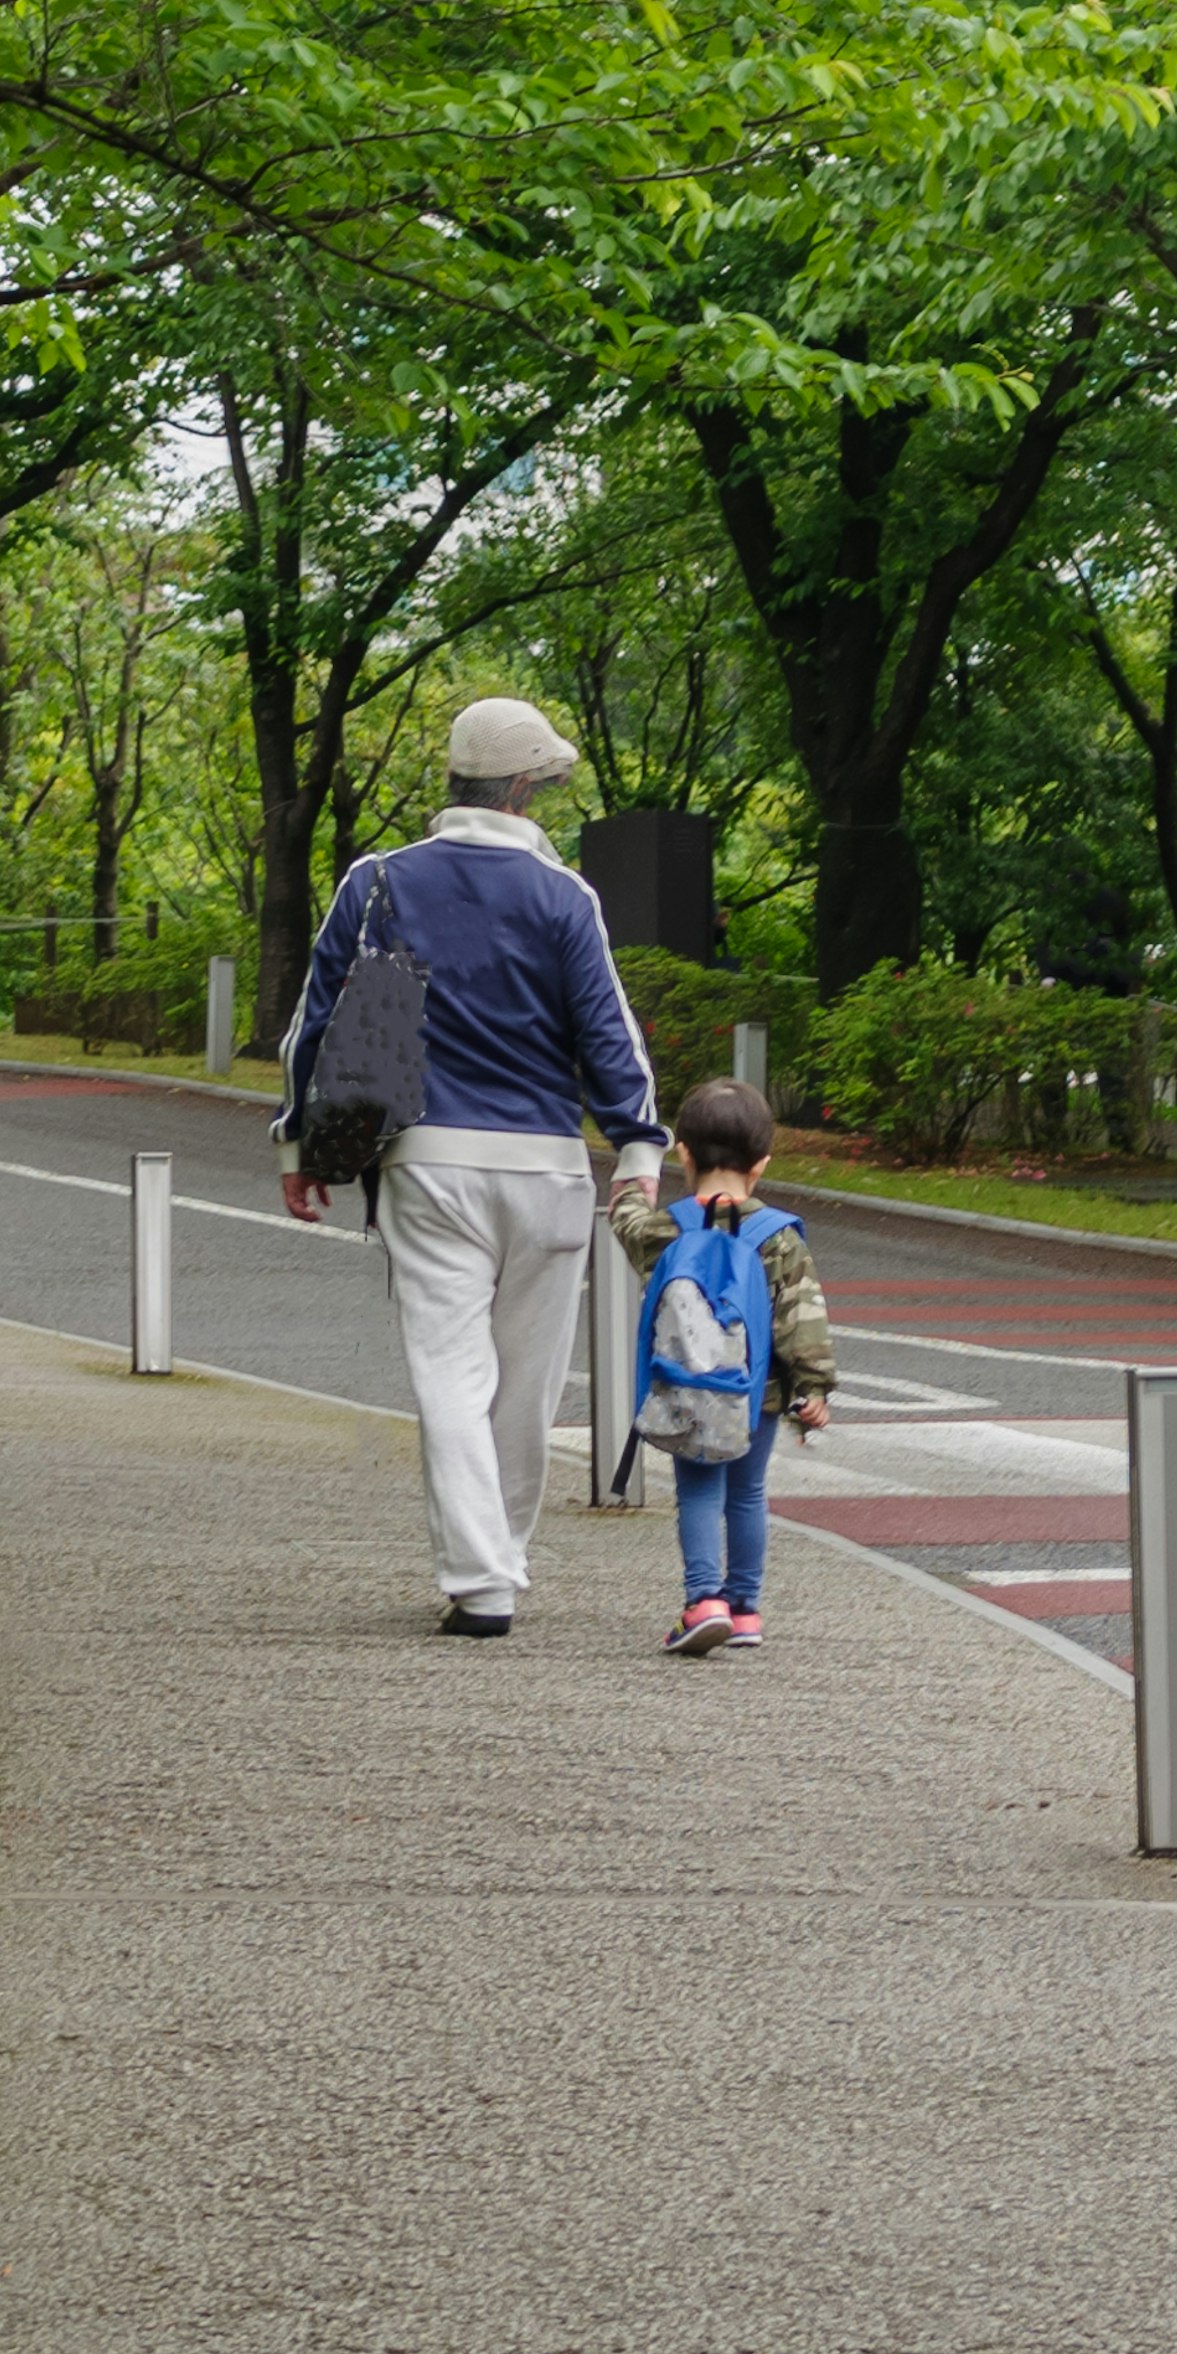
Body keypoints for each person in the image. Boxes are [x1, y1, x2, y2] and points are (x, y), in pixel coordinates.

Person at [276, 694, 662, 1637]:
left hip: (427, 1161)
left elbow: (315, 1021)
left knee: (450, 1373)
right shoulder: (567, 897)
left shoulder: (379, 881)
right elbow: (608, 1034)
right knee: (527, 1385)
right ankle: (506, 1556)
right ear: (523, 788)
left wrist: (299, 1142)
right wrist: (638, 1151)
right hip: (547, 1169)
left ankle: (481, 1581)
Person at [609, 1076, 838, 1654]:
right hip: (755, 1392)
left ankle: (702, 1601)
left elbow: (628, 1223)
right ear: (761, 1164)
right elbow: (800, 1317)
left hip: (688, 1391)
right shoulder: (779, 1237)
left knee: (700, 1493)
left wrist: (637, 1183)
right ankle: (744, 1610)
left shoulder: (670, 1227)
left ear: (683, 1154)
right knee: (747, 1493)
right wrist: (812, 1389)